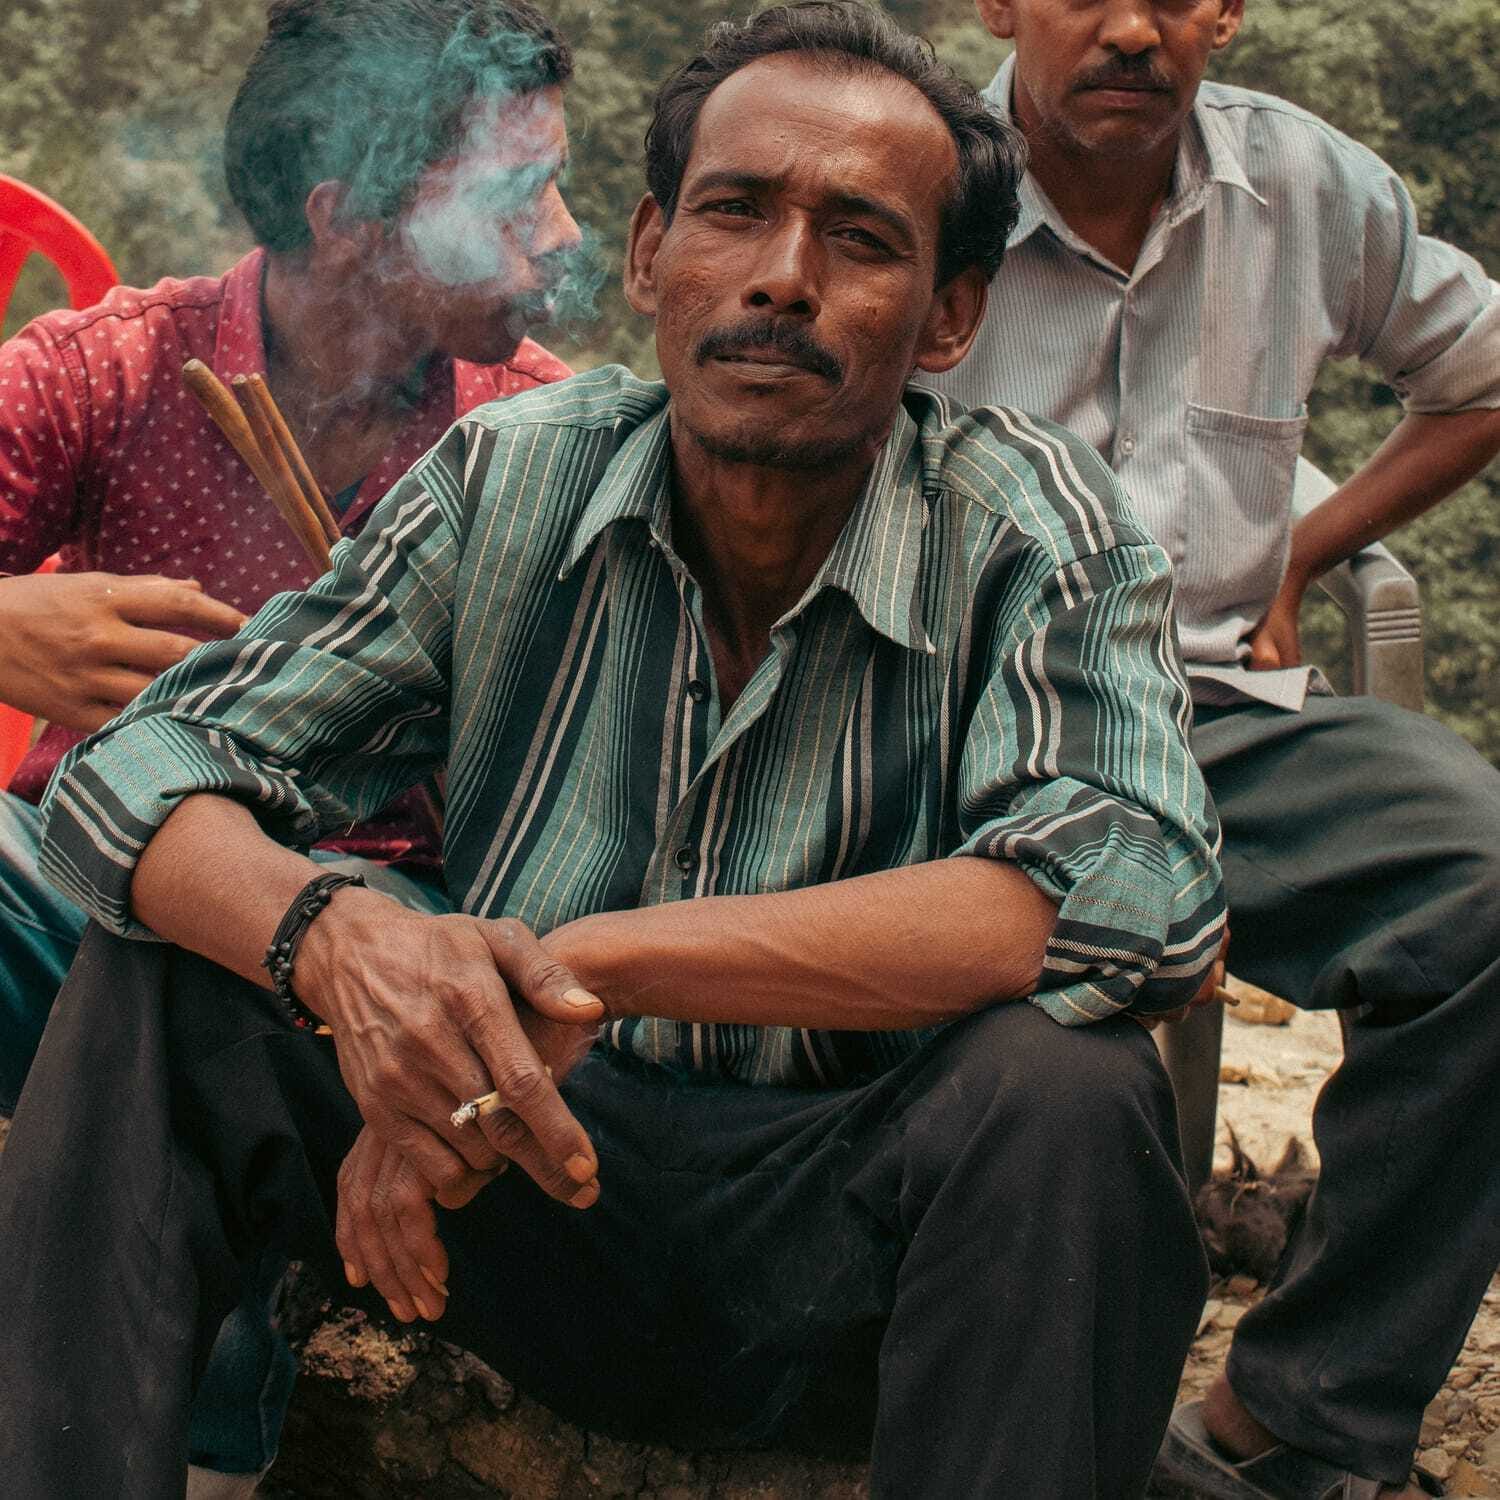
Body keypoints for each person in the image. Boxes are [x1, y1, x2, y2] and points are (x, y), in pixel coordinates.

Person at [0, 5, 1228, 1496]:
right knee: (158, 978)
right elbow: (148, 766)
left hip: (853, 1227)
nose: (781, 277)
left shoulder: (1038, 526)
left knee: (1070, 1095)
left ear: (952, 317)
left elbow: (1120, 890)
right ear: (652, 256)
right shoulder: (516, 471)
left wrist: (581, 963)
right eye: (734, 214)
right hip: (521, 1178)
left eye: (859, 239)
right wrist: (350, 952)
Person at [917, 3, 1500, 1497]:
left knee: (1488, 888)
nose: (1131, 27)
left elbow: (1482, 374)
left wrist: (1302, 550)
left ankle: (1298, 1410)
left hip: (1209, 721)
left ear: (1229, 11)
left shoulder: (1302, 187)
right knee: (1025, 1065)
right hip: (936, 720)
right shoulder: (911, 171)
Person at [0, 0, 581, 1493]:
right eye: (518, 198)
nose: (564, 235)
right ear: (349, 218)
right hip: (79, 895)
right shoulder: (116, 371)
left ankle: (203, 1430)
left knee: (207, 977)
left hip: (367, 965)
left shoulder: (535, 441)